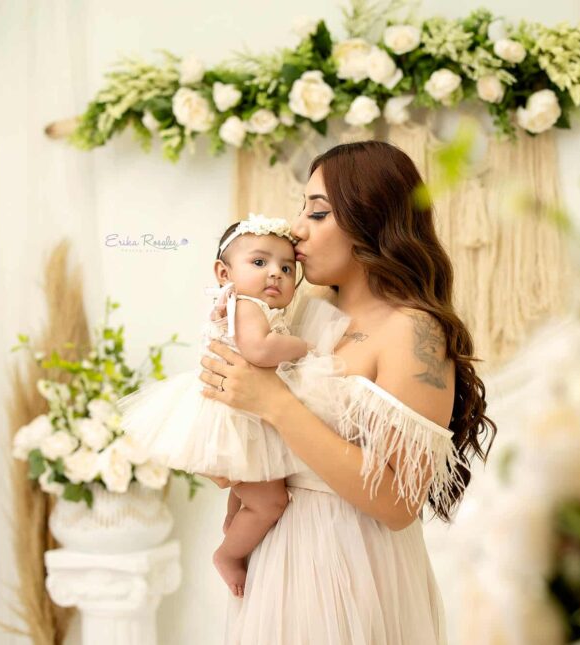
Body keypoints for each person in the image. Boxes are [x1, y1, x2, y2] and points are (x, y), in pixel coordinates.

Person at [199, 140, 497, 644]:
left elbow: (399, 505)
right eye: (302, 210)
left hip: (355, 566)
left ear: (371, 219)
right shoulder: (300, 317)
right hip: (280, 560)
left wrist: (274, 403)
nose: (296, 229)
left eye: (317, 213)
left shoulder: (414, 332)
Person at [116, 213, 349, 597]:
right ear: (224, 273)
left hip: (244, 411)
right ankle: (228, 554)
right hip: (236, 414)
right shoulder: (248, 306)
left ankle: (235, 520)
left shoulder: (248, 305)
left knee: (252, 482)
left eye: (286, 268)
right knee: (271, 502)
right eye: (259, 262)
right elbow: (259, 350)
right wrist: (303, 346)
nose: (275, 273)